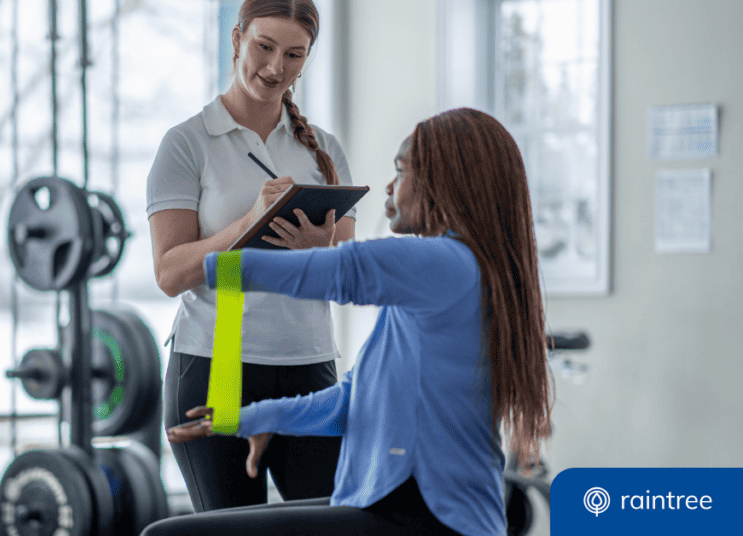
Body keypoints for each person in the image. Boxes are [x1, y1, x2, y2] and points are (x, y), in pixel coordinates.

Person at [142, 108, 554, 536]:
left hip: (430, 516)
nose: (390, 186)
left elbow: (343, 270)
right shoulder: (437, 281)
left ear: (446, 179)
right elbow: (350, 402)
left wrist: (198, 265)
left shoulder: (445, 263)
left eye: (401, 169)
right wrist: (255, 418)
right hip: (397, 505)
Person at [147, 0, 357, 513]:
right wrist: (247, 223)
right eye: (264, 46)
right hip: (217, 368)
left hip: (310, 368)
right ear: (237, 38)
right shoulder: (186, 144)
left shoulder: (323, 149)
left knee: (332, 524)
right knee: (230, 530)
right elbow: (170, 273)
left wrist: (319, 251)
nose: (275, 68)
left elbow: (350, 270)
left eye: (294, 54)